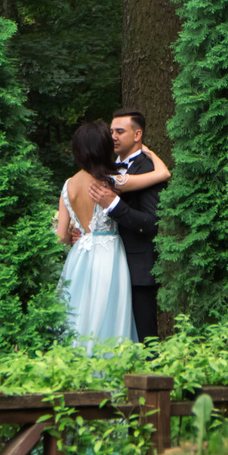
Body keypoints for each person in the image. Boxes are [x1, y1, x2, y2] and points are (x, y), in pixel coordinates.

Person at [54, 121, 145, 348]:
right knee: (110, 309)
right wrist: (148, 152)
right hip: (109, 253)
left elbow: (60, 237)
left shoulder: (68, 185)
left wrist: (77, 234)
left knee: (78, 310)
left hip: (79, 256)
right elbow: (161, 174)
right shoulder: (112, 182)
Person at [105, 109, 168, 340]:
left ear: (137, 134)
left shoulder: (148, 168)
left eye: (120, 131)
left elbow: (151, 223)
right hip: (107, 265)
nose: (113, 136)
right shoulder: (107, 167)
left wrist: (114, 206)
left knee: (145, 338)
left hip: (137, 268)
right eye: (111, 131)